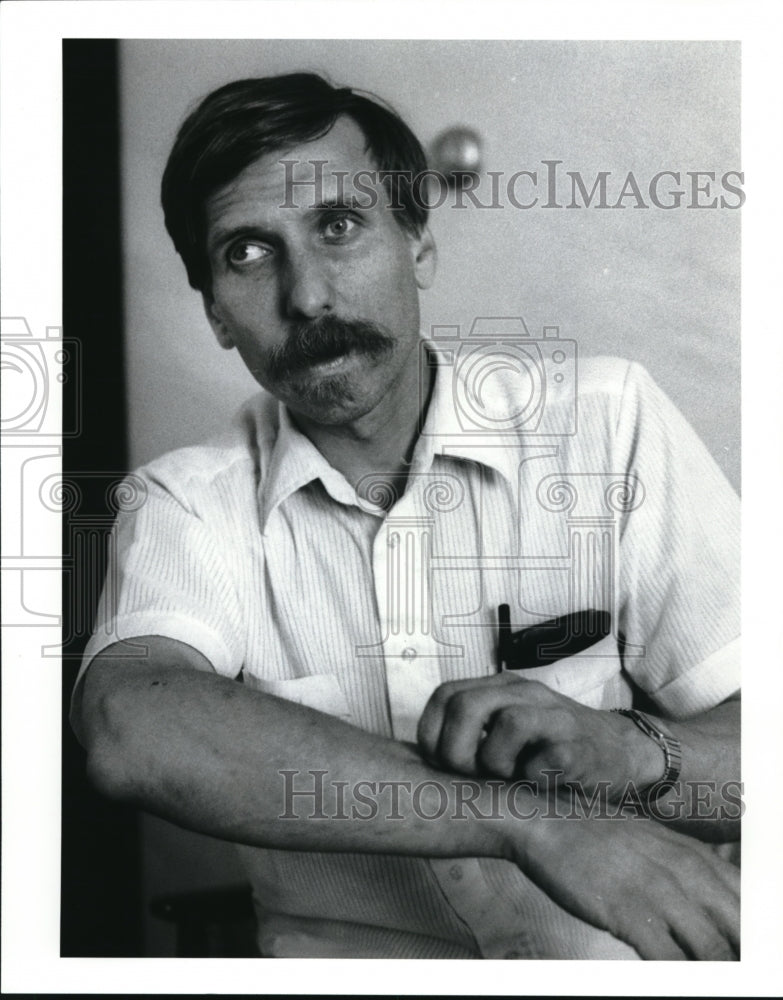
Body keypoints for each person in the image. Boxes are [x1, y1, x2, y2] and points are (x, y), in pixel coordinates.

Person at [72, 73, 741, 960]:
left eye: (338, 227)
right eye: (246, 253)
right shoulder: (182, 502)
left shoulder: (606, 420)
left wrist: (630, 753)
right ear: (214, 316)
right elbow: (131, 727)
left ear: (416, 245)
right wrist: (530, 825)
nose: (306, 296)